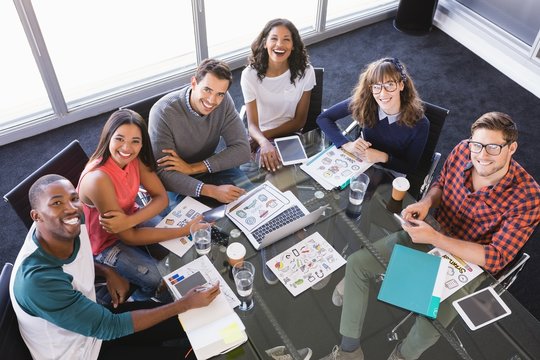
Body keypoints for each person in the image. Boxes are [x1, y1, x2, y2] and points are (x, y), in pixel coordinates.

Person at [322, 112, 540, 360]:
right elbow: (441, 183)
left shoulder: (529, 197)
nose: (481, 154)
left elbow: (495, 257)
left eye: (493, 147)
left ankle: (401, 356)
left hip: (467, 263)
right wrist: (426, 203)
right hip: (432, 232)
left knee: (429, 326)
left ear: (511, 148)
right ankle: (350, 350)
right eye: (477, 145)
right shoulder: (462, 150)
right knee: (357, 263)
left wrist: (435, 238)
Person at [9, 174, 220, 360]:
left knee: (189, 319)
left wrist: (106, 270)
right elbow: (110, 327)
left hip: (93, 318)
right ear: (36, 216)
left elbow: (69, 259)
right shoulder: (36, 281)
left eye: (73, 198)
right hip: (81, 352)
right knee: (189, 349)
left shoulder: (68, 224)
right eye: (56, 203)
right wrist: (182, 304)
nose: (70, 208)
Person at [78, 109, 200, 302]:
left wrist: (130, 220)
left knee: (177, 249)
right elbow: (129, 237)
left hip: (129, 218)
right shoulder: (98, 180)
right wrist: (184, 230)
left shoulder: (133, 159)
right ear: (108, 137)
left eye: (135, 141)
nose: (127, 148)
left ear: (142, 143)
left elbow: (161, 198)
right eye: (119, 139)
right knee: (157, 278)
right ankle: (140, 296)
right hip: (104, 245)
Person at [148, 58, 250, 206]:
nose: (212, 100)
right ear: (194, 83)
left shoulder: (224, 101)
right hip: (178, 179)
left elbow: (243, 150)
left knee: (253, 207)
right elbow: (164, 173)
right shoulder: (163, 112)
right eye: (207, 90)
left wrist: (193, 168)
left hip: (209, 166)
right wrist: (212, 191)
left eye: (219, 94)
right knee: (199, 227)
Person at [316, 57, 429, 175]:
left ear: (401, 85)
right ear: (370, 88)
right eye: (376, 86)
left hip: (393, 171)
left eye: (390, 84)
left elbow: (410, 167)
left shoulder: (420, 124)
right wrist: (347, 144)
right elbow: (323, 118)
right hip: (362, 163)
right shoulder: (365, 101)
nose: (383, 93)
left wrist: (383, 157)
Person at [241, 18, 316, 172]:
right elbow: (252, 125)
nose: (280, 45)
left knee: (282, 171)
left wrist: (264, 138)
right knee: (278, 170)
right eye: (274, 39)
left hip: (290, 133)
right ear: (264, 43)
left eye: (286, 40)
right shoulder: (249, 75)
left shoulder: (306, 72)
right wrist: (263, 141)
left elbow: (300, 121)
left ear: (293, 45)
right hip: (261, 137)